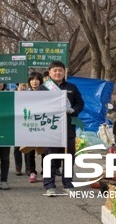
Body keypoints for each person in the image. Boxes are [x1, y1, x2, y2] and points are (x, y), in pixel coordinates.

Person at [39, 61, 84, 196]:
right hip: (50, 127)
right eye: (55, 70)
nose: (57, 73)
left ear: (64, 72)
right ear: (50, 72)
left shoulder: (72, 87)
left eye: (60, 70)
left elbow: (80, 103)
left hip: (68, 127)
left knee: (68, 156)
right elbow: (38, 105)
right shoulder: (43, 88)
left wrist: (73, 110)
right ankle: (49, 185)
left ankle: (68, 184)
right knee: (50, 157)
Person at [24, 72, 44, 183]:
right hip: (29, 125)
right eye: (32, 79)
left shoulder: (46, 93)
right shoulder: (25, 94)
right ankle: (32, 172)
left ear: (41, 81)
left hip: (43, 124)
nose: (34, 81)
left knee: (44, 150)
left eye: (37, 79)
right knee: (29, 150)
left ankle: (45, 172)